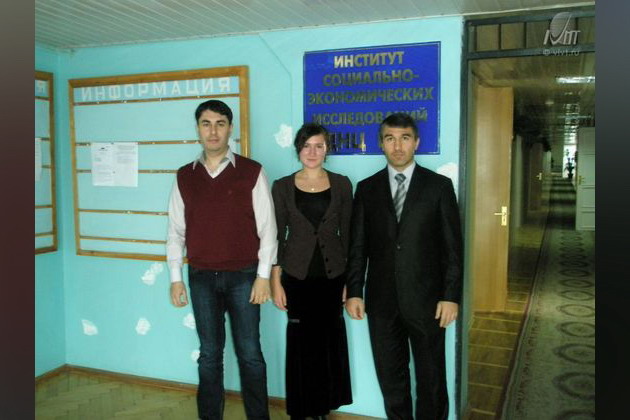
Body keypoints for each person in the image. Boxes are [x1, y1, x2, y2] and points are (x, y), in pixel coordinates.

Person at [345, 113, 463, 420]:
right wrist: (354, 291)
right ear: (381, 143)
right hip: (382, 302)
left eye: (405, 138)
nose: (397, 146)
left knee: (431, 377)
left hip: (428, 302)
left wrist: (451, 296)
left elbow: (453, 248)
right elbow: (357, 247)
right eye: (390, 139)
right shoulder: (367, 189)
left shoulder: (439, 187)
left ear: (416, 142)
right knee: (391, 379)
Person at [166, 99, 278, 420]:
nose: (213, 131)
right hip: (201, 277)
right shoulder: (184, 176)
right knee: (209, 356)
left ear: (230, 128)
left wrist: (263, 276)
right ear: (198, 130)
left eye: (220, 124)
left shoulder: (252, 171)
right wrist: (176, 278)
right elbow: (175, 231)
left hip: (244, 277)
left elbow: (268, 229)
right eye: (206, 124)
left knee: (250, 354)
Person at [270, 123, 353, 420]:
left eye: (319, 146)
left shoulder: (342, 184)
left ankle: (322, 408)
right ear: (298, 149)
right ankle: (302, 409)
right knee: (301, 345)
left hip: (332, 278)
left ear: (327, 149)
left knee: (328, 343)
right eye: (307, 146)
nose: (312, 152)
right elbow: (276, 237)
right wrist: (275, 281)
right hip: (296, 277)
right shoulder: (282, 186)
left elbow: (349, 234)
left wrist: (351, 282)